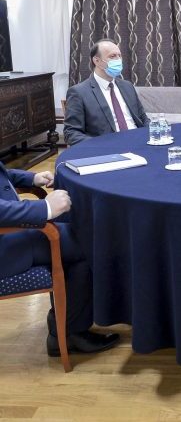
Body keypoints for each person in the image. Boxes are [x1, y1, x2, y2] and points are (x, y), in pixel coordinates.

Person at [0, 163, 119, 356]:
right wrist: (44, 207)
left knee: (76, 230)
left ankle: (65, 326)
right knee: (86, 244)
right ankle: (70, 333)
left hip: (11, 232)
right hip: (6, 247)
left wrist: (30, 178)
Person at [64, 38, 149, 145]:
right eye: (112, 56)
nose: (118, 60)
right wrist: (102, 145)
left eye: (119, 56)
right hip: (108, 147)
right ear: (97, 61)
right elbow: (71, 133)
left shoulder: (127, 86)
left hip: (139, 142)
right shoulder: (79, 92)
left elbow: (143, 119)